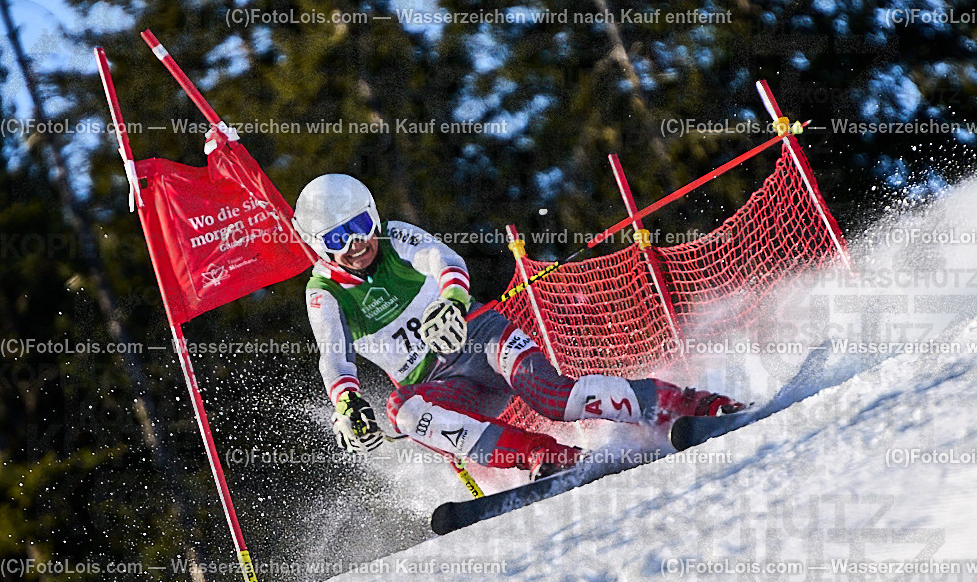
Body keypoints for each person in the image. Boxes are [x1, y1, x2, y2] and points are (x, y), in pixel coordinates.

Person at [295, 174, 743, 480]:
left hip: (480, 336)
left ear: (374, 215)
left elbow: (443, 259)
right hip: (444, 386)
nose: (357, 244)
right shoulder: (324, 293)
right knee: (403, 411)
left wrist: (451, 301)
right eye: (338, 238)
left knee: (555, 397)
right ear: (319, 247)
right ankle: (546, 456)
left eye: (361, 226)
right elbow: (334, 357)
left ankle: (689, 404)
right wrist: (348, 404)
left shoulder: (395, 237)